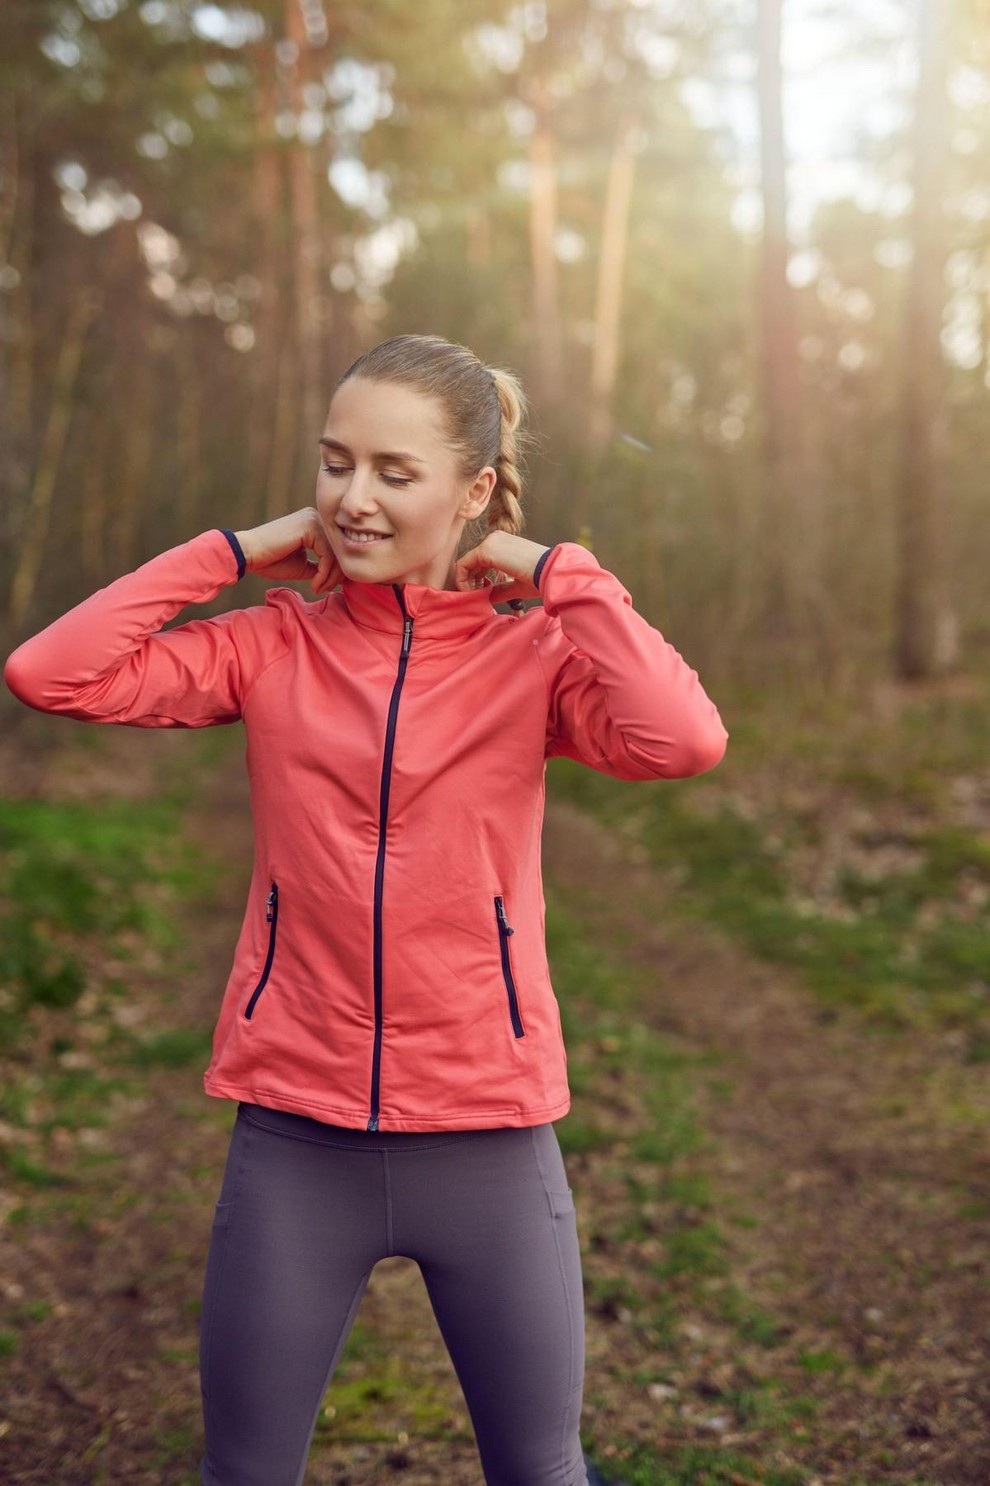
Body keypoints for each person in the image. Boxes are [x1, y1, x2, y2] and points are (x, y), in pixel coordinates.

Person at [4, 333, 728, 1486]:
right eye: (335, 464)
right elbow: (55, 672)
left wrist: (561, 574)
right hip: (297, 1131)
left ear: (474, 488)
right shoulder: (270, 643)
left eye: (396, 471)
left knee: (541, 1469)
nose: (352, 498)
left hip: (489, 1129)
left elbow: (683, 737)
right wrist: (232, 553)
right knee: (245, 1471)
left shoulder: (534, 657)